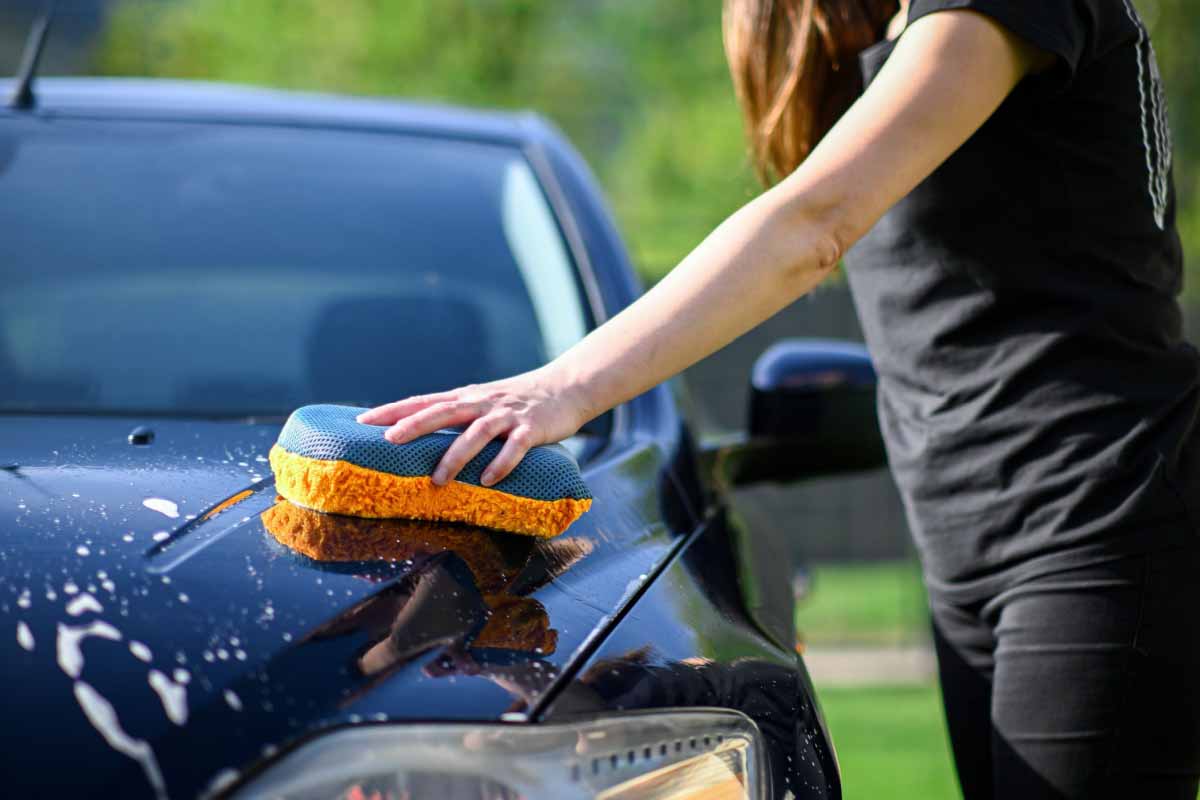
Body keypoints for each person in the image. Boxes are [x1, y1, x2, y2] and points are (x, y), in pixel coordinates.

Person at [359, 1, 1200, 796]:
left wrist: (560, 385)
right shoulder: (892, 30)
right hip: (973, 540)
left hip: (1102, 515)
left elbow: (814, 225)